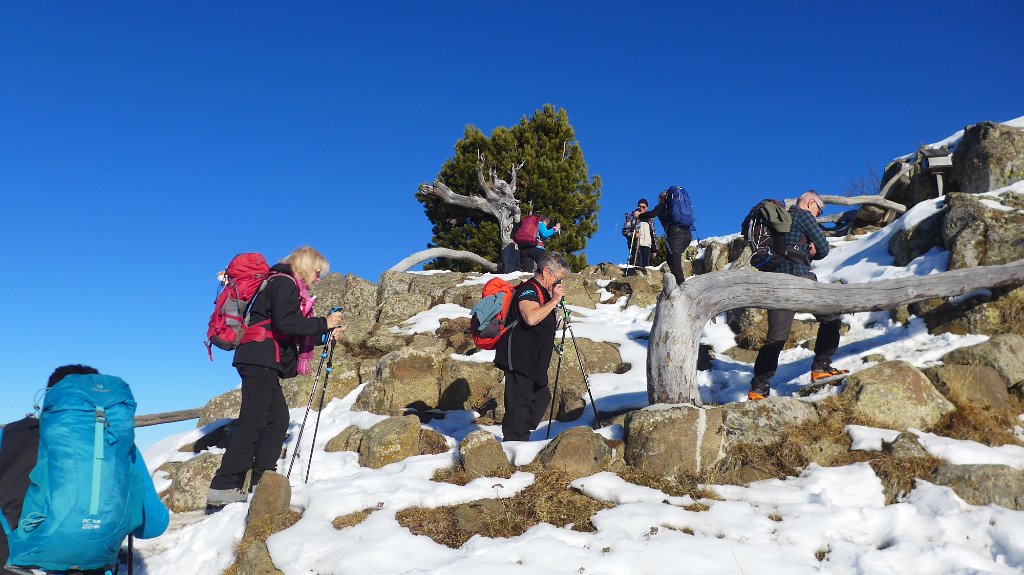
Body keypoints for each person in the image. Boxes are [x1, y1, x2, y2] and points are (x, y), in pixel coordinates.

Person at [207, 246, 344, 506]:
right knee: (253, 420)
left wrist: (323, 335)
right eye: (317, 272)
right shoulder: (284, 283)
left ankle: (263, 480)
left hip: (261, 357)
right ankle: (223, 485)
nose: (319, 278)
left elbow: (284, 328)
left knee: (277, 419)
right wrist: (324, 323)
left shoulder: (280, 283)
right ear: (305, 265)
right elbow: (287, 323)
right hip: (260, 357)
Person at [1, 365, 168, 574]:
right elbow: (153, 525)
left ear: (50, 396)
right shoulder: (118, 445)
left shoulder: (7, 436)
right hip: (92, 565)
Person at [748, 190, 848, 401]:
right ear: (811, 203)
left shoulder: (781, 219)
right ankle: (821, 367)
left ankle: (758, 387)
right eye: (819, 210)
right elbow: (824, 248)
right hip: (800, 279)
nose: (818, 214)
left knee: (776, 337)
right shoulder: (803, 215)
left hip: (776, 283)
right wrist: (814, 248)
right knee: (831, 316)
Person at [494, 251, 570, 441]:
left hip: (534, 362)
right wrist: (554, 301)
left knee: (541, 398)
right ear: (546, 271)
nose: (559, 283)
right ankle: (514, 441)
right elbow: (530, 317)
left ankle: (519, 433)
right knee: (519, 405)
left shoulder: (542, 294)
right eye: (558, 278)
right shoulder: (528, 289)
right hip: (519, 358)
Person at [636, 187, 692, 284]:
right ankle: (677, 284)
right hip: (687, 235)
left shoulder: (663, 205)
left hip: (675, 236)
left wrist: (639, 215)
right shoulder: (679, 206)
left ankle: (683, 287)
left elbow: (652, 214)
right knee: (670, 259)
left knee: (675, 263)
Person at [625, 198, 658, 268]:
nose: (641, 208)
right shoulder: (632, 217)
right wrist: (634, 234)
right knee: (637, 267)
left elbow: (653, 235)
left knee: (646, 268)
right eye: (639, 206)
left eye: (643, 207)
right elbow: (625, 231)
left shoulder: (650, 219)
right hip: (636, 245)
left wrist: (654, 249)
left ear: (647, 208)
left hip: (648, 247)